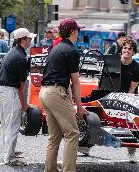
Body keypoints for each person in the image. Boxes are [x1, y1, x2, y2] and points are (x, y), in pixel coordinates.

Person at [39, 18, 88, 172]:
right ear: (73, 31)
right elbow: (75, 82)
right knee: (72, 133)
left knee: (54, 136)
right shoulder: (72, 51)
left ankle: (50, 170)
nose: (79, 33)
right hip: (55, 92)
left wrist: (70, 101)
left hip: (45, 92)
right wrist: (79, 107)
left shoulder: (56, 48)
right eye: (78, 30)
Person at [0, 28, 36, 166]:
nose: (30, 40)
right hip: (8, 91)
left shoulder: (14, 52)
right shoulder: (20, 58)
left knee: (7, 123)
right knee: (13, 124)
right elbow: (22, 86)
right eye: (29, 38)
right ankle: (10, 158)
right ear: (23, 40)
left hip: (2, 89)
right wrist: (24, 104)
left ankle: (9, 150)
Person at [119, 36, 139, 163]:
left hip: (130, 97)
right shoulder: (113, 62)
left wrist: (124, 101)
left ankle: (131, 151)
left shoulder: (137, 68)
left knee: (131, 125)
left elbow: (132, 89)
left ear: (134, 52)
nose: (126, 51)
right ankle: (85, 146)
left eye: (130, 49)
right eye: (124, 48)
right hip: (112, 94)